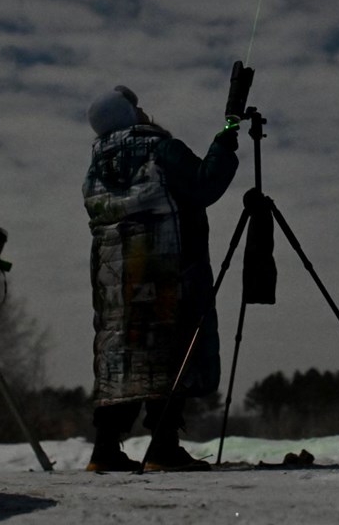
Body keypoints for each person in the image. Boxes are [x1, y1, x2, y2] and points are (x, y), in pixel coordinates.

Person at [82, 85, 239, 472]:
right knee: (168, 352)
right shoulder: (160, 149)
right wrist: (224, 145)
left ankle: (104, 450)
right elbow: (204, 184)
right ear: (129, 115)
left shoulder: (96, 168)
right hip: (167, 266)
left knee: (121, 355)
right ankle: (163, 448)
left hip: (114, 279)